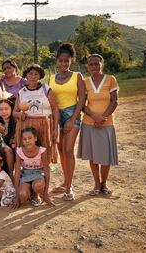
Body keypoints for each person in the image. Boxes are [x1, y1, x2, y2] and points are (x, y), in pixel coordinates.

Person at [77, 54, 119, 195]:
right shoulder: (85, 82)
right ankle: (96, 184)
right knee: (93, 156)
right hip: (89, 123)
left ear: (102, 64)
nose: (94, 66)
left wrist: (103, 118)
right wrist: (94, 116)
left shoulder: (110, 79)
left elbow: (114, 101)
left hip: (106, 124)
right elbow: (82, 104)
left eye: (97, 63)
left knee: (105, 157)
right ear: (87, 66)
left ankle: (104, 184)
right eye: (91, 64)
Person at [49, 43, 85, 201]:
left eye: (67, 61)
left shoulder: (77, 76)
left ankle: (69, 188)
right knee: (62, 151)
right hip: (56, 117)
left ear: (72, 61)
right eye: (61, 61)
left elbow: (82, 99)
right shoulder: (51, 78)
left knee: (68, 150)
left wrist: (72, 119)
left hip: (72, 114)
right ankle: (65, 181)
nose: (63, 64)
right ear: (56, 61)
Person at [13, 63, 59, 164]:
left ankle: (43, 178)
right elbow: (14, 112)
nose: (33, 76)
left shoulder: (45, 89)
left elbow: (55, 109)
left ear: (40, 76)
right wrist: (20, 115)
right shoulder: (22, 92)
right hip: (26, 125)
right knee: (28, 154)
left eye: (36, 74)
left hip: (44, 125)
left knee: (44, 154)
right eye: (30, 74)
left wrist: (55, 129)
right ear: (26, 75)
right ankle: (28, 175)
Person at [13, 127, 53, 208]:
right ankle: (30, 192)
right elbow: (17, 173)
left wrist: (45, 194)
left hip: (38, 173)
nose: (27, 141)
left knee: (38, 186)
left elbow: (46, 171)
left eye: (30, 138)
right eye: (24, 139)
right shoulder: (19, 151)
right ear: (22, 141)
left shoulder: (42, 151)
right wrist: (17, 197)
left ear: (35, 138)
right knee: (22, 195)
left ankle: (36, 195)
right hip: (25, 175)